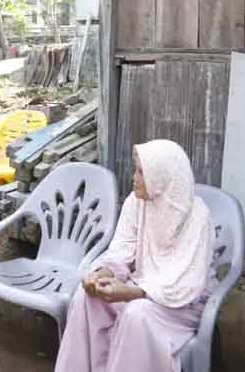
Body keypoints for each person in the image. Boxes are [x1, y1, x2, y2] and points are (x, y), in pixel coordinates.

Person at [54, 139, 216, 372]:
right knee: (86, 297)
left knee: (137, 314)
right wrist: (102, 273)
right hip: (141, 284)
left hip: (182, 302)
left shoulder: (197, 217)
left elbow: (186, 281)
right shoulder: (136, 202)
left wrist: (133, 293)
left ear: (162, 176)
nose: (134, 177)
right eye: (136, 170)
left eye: (142, 172)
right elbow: (122, 249)